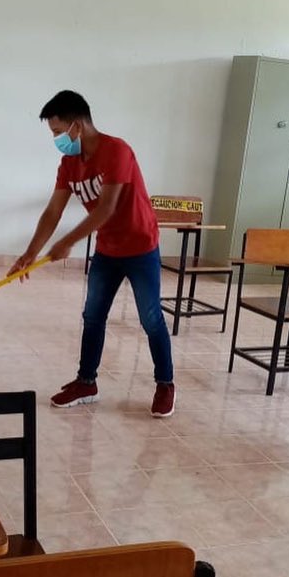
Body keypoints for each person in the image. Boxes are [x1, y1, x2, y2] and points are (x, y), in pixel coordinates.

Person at [10, 90, 175, 417]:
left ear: (78, 125)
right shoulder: (69, 162)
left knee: (150, 317)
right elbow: (53, 211)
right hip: (108, 250)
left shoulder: (118, 151)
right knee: (93, 315)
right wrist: (30, 252)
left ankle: (165, 384)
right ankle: (87, 382)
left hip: (141, 246)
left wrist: (67, 242)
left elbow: (106, 208)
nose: (57, 140)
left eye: (59, 132)